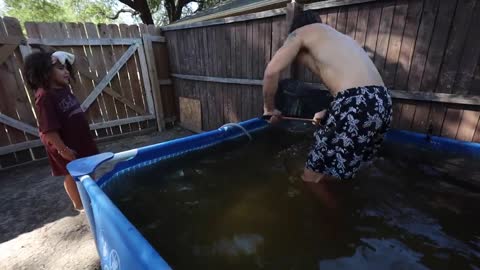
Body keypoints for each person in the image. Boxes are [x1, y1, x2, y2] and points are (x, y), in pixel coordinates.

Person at [262, 11, 392, 187]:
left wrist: (269, 109)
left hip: (355, 102)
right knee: (356, 167)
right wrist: (329, 113)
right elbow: (354, 88)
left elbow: (271, 72)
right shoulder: (343, 39)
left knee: (311, 177)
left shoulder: (299, 34)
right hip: (382, 101)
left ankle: (331, 213)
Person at [24, 51, 99, 211]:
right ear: (44, 72)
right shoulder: (45, 97)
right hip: (64, 145)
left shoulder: (63, 89)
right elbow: (48, 130)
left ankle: (90, 196)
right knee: (72, 174)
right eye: (60, 68)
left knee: (88, 167)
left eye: (65, 68)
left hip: (79, 139)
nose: (66, 71)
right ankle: (80, 205)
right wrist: (63, 149)